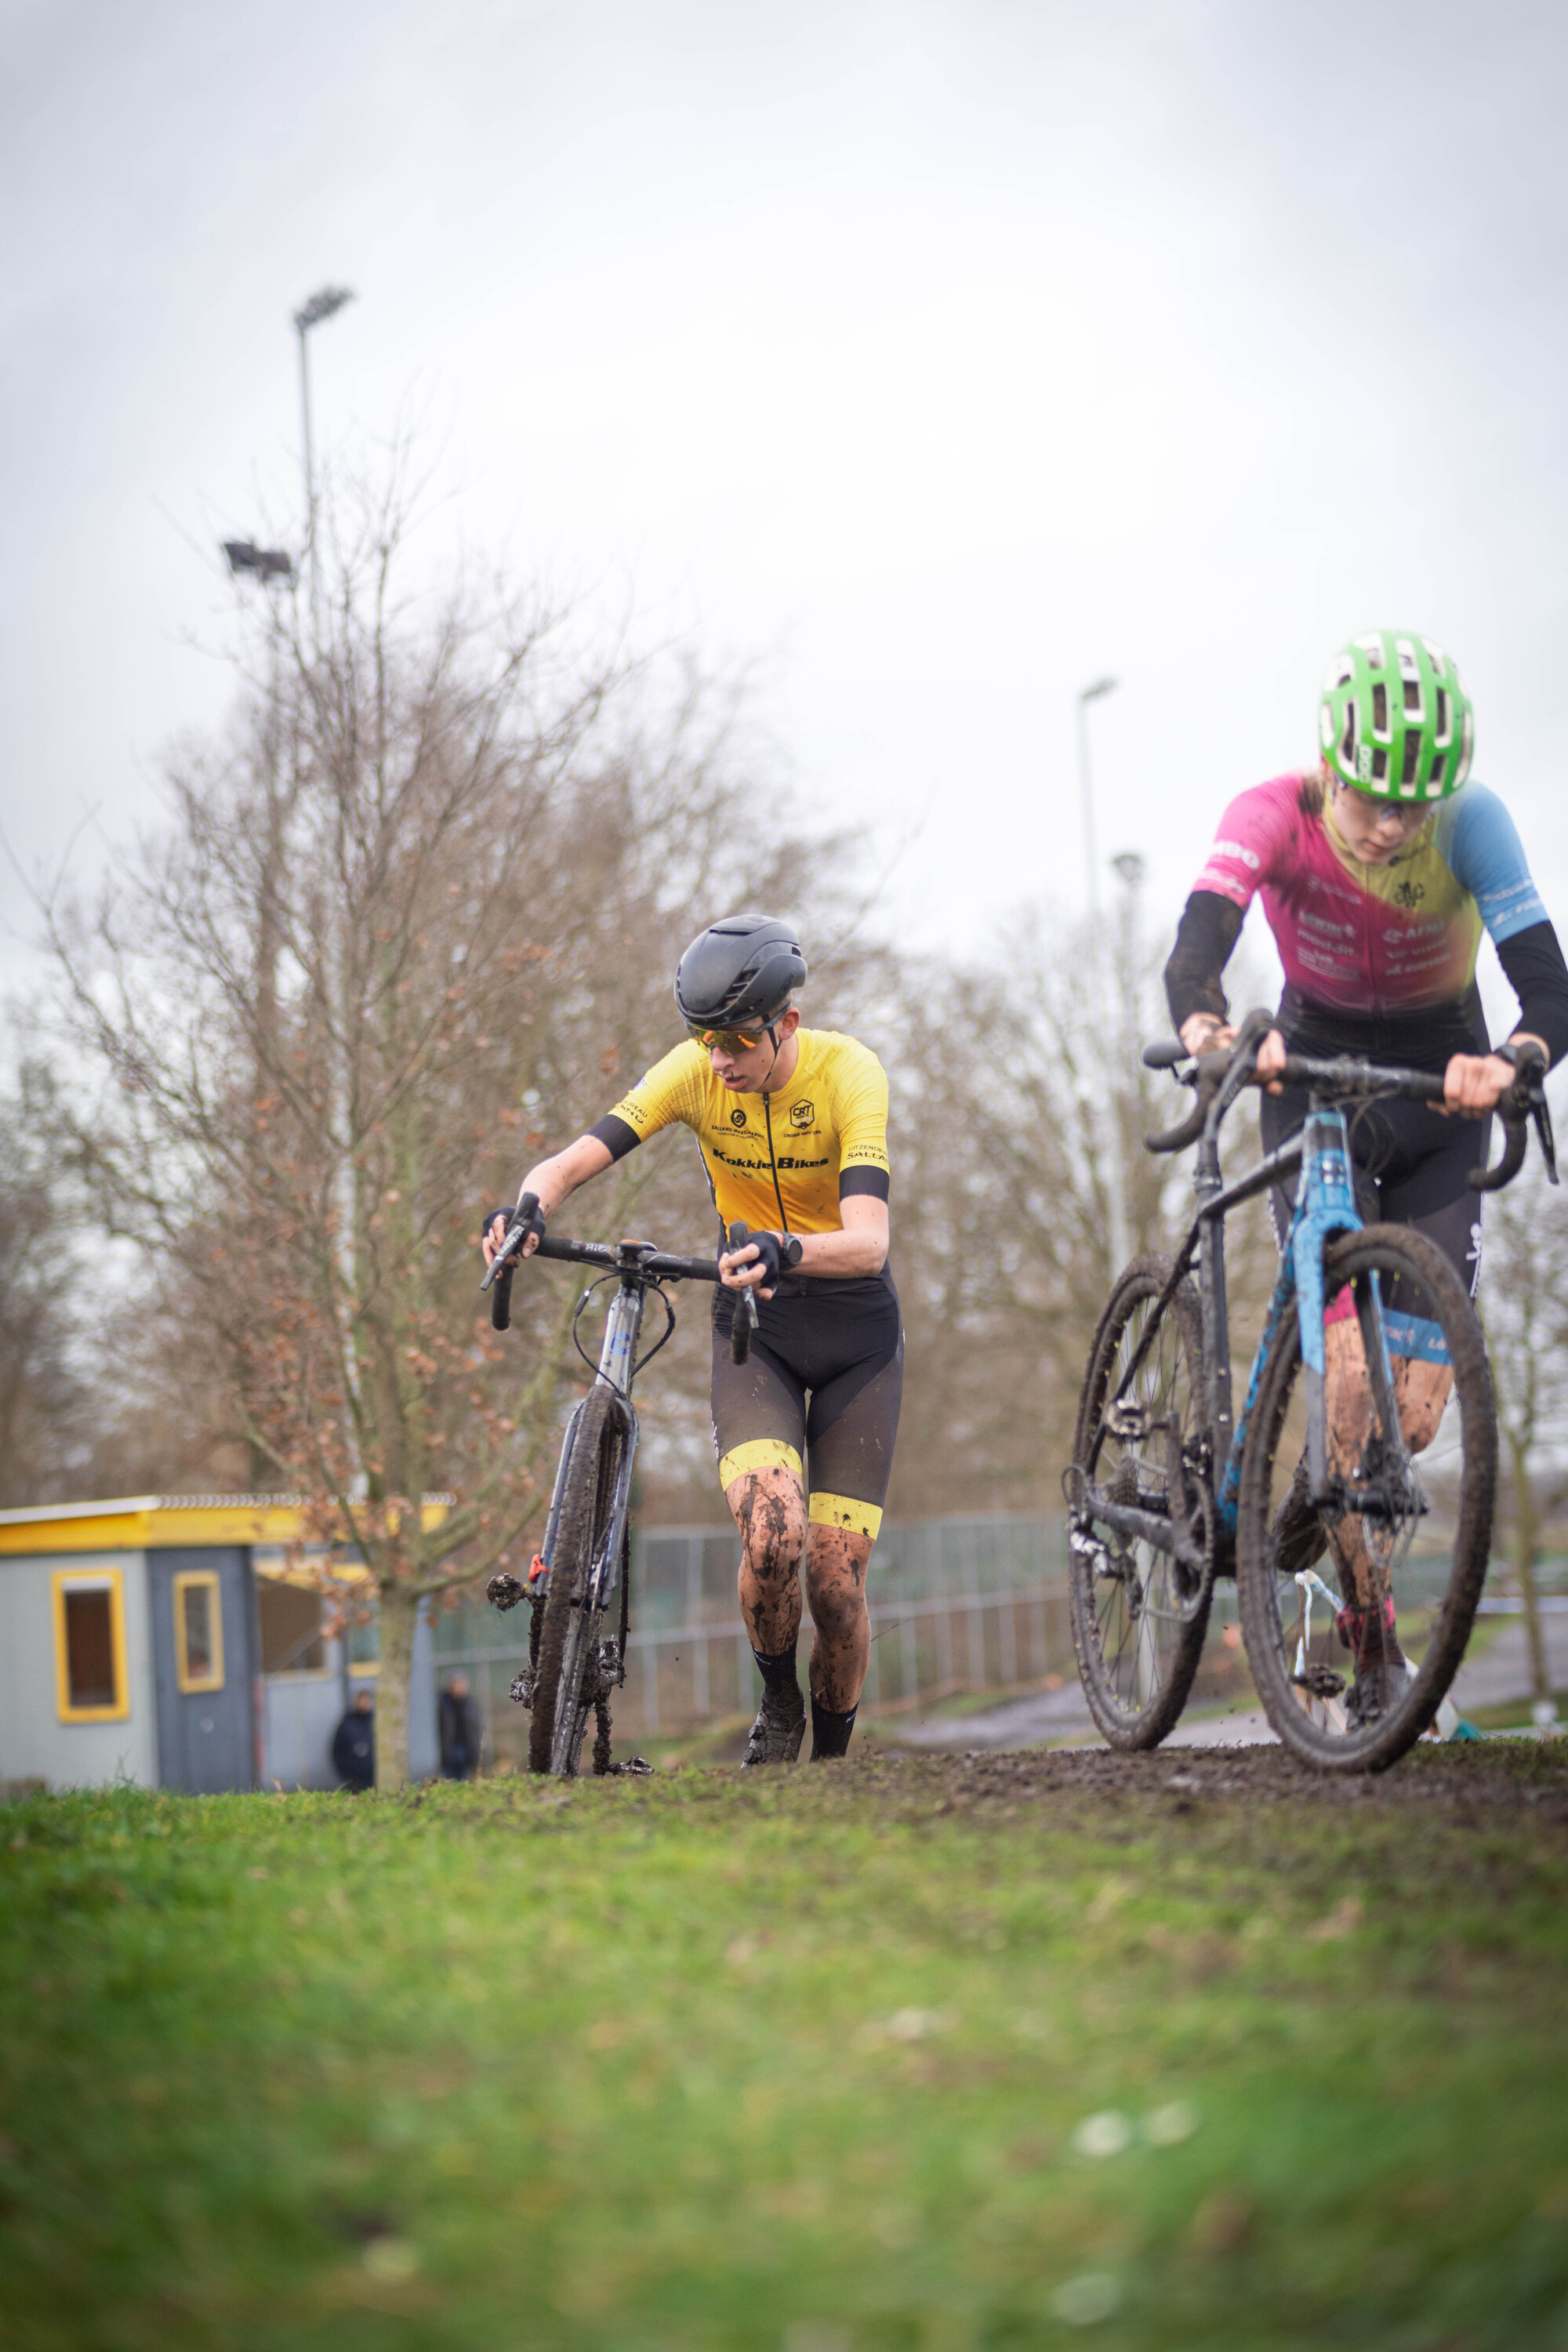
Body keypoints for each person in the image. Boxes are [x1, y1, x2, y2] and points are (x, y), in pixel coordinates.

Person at [1163, 628, 1568, 1722]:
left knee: (1414, 1421)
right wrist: (1208, 1023)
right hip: (1317, 1087)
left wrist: (1520, 1057)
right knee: (1350, 1390)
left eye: (1416, 806)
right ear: (1334, 765)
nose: (1395, 825)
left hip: (1441, 1098)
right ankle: (1373, 1639)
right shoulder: (1274, 812)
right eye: (1375, 799)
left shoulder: (1473, 821)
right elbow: (1197, 945)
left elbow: (1546, 983)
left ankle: (1309, 1488)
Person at [482, 914, 900, 1768]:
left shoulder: (848, 1072)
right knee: (772, 1536)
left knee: (833, 1579)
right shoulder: (696, 1074)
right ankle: (777, 1701)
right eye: (704, 1041)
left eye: (738, 1040)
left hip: (857, 1335)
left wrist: (791, 1248)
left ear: (786, 1023)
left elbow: (869, 1240)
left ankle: (833, 1767)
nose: (720, 1061)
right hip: (760, 1331)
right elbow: (573, 1157)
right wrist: (527, 1208)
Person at [439, 1672, 481, 1780]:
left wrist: (476, 1751)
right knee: (449, 1779)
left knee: (464, 1779)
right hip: (450, 1749)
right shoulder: (444, 1703)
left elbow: (475, 1728)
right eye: (455, 1684)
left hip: (466, 1749)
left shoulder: (470, 1703)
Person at [332, 1686, 376, 1791]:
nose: (364, 1704)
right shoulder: (347, 1723)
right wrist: (346, 1776)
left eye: (366, 1701)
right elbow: (337, 1751)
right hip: (354, 1780)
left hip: (374, 1778)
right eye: (361, 1701)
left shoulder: (375, 1722)